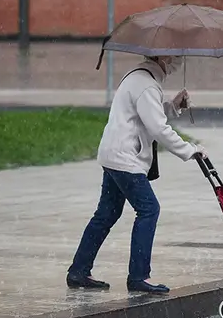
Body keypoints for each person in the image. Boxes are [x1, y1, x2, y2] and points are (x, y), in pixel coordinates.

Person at [66, 55, 206, 293]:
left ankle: (78, 271)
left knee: (106, 214)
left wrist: (172, 106)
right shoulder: (147, 84)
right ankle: (138, 277)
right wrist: (190, 150)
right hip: (124, 158)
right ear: (162, 57)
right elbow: (158, 128)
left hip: (113, 155)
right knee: (149, 209)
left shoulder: (139, 77)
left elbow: (146, 116)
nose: (177, 62)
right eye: (174, 57)